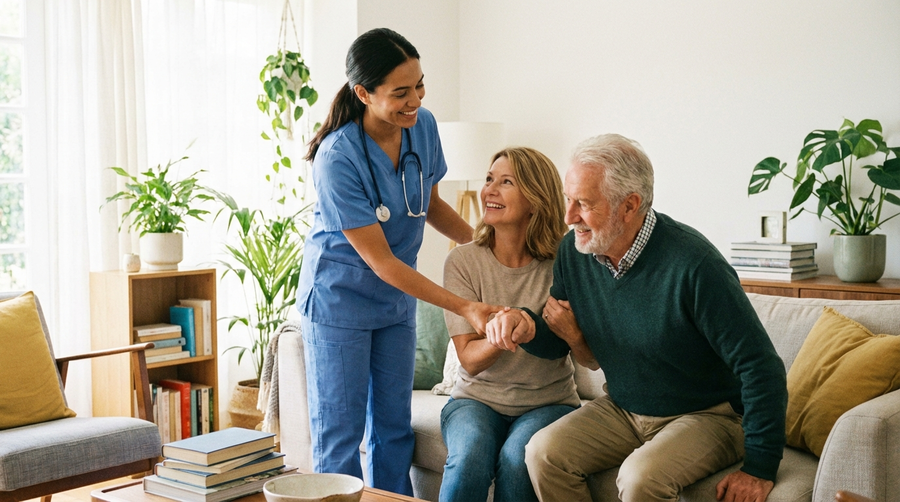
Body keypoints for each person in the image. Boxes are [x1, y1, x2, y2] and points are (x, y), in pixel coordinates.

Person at [485, 134, 788, 502]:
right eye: (569, 200)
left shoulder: (695, 265)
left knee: (639, 478)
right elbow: (557, 336)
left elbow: (761, 367)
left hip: (709, 416)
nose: (569, 217)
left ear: (629, 205)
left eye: (583, 203)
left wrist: (759, 468)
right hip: (624, 408)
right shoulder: (576, 252)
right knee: (542, 453)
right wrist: (528, 325)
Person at [297, 28, 500, 495]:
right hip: (339, 301)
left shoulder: (421, 127)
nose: (416, 100)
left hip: (393, 303)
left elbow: (428, 203)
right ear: (363, 93)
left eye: (420, 85)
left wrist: (482, 245)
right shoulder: (337, 156)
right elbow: (382, 261)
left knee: (393, 429)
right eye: (401, 92)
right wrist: (465, 306)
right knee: (340, 436)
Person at [439, 147, 594, 502]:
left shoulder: (565, 261)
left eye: (506, 182)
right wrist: (503, 329)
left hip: (549, 403)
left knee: (518, 459)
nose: (489, 190)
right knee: (469, 457)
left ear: (535, 200)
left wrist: (538, 326)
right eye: (489, 179)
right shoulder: (462, 261)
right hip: (475, 401)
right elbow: (470, 361)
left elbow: (585, 352)